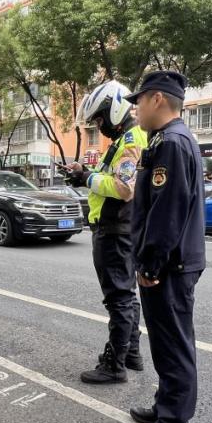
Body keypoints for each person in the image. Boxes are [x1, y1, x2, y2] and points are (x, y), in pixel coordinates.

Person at [125, 70, 206, 423]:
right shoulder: (169, 140)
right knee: (165, 340)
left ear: (157, 99)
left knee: (173, 344)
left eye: (138, 100)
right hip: (172, 261)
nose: (135, 109)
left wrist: (151, 263)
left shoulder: (172, 143)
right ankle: (165, 408)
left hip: (169, 264)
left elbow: (167, 211)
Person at [63, 80, 147, 384]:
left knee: (118, 298)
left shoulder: (130, 141)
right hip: (119, 228)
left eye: (99, 119)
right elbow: (106, 177)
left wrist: (86, 179)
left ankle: (115, 364)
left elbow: (124, 188)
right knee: (127, 295)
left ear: (114, 109)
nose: (98, 125)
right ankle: (131, 352)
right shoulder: (125, 139)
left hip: (116, 231)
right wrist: (82, 175)